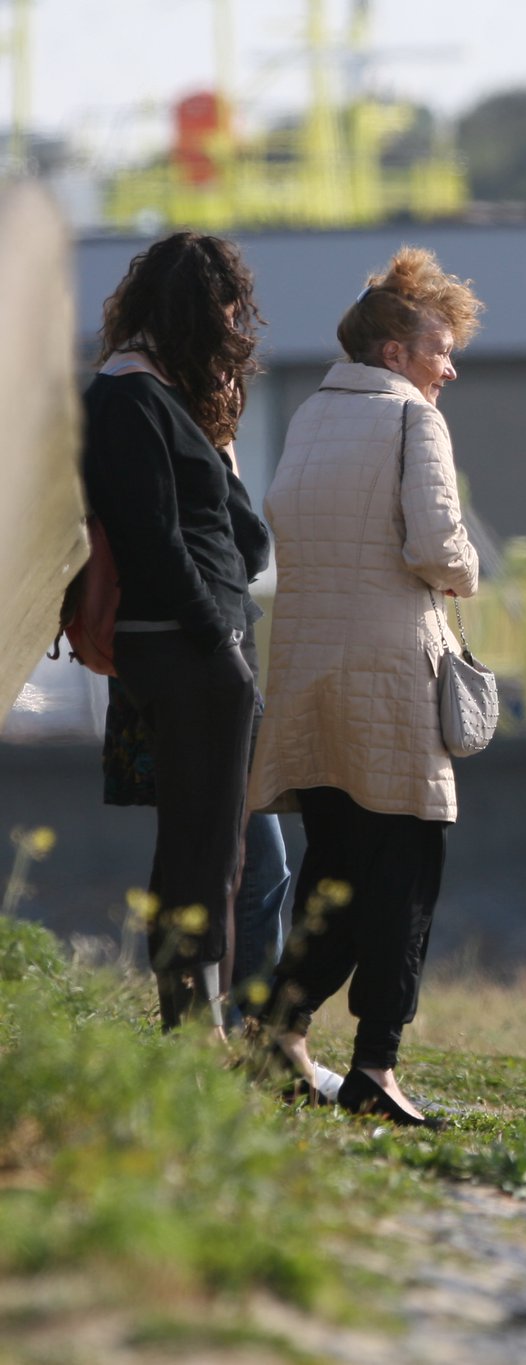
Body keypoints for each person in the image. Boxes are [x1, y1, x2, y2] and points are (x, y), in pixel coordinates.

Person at [248, 246, 483, 1128]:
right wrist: (467, 571)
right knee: (410, 867)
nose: (449, 366)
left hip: (308, 669)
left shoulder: (310, 415)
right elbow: (436, 547)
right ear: (395, 352)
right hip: (390, 677)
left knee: (335, 865)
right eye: (440, 348)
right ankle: (376, 1062)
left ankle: (279, 1026)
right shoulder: (414, 421)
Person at [80, 233, 265, 1033]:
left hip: (194, 638)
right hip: (188, 643)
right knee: (207, 846)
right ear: (195, 307)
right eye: (226, 309)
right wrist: (216, 640)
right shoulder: (128, 397)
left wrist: (220, 442)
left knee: (202, 841)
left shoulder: (164, 397)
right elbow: (152, 538)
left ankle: (197, 1017)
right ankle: (196, 1022)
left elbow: (250, 542)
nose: (234, 327)